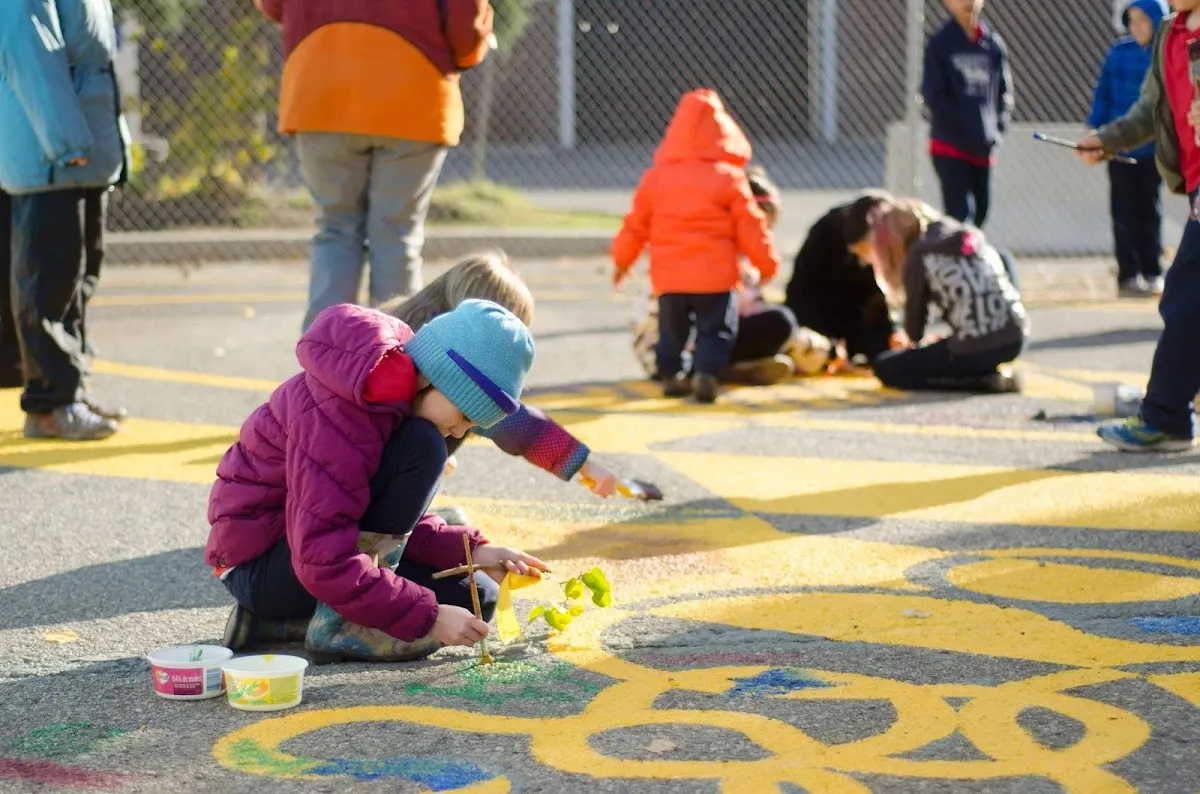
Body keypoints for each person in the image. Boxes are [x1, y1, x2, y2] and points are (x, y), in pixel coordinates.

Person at [208, 299, 547, 663]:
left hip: (308, 554)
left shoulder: (388, 399)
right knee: (425, 447)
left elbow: (368, 513)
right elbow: (322, 557)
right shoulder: (339, 416)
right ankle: (334, 624)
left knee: (474, 595)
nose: (460, 431)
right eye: (465, 414)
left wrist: (473, 552)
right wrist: (430, 617)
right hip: (263, 568)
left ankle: (282, 626)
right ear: (436, 377)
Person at [252, 0, 496, 332]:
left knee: (336, 229)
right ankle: (396, 349)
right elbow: (466, 33)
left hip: (321, 87)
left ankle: (327, 351)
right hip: (414, 90)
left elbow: (273, 6)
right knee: (396, 234)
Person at [0, 0, 129, 439]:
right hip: (52, 155)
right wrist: (65, 140)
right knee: (49, 284)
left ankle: (70, 391)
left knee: (75, 279)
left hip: (81, 152)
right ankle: (50, 405)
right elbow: (30, 54)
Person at [1076, 0, 1200, 452]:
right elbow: (1151, 107)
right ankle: (1169, 415)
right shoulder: (1171, 33)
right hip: (1196, 183)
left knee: (1186, 298)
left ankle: (1167, 417)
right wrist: (1107, 139)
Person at [612, 89, 782, 403]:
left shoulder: (656, 179)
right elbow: (751, 225)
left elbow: (635, 226)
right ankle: (706, 373)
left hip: (670, 278)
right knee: (715, 330)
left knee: (672, 331)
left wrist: (622, 262)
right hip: (715, 278)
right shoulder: (729, 178)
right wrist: (766, 264)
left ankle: (671, 374)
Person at [630, 166, 815, 385]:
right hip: (673, 349)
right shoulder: (721, 256)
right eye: (759, 230)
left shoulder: (706, 242)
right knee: (780, 322)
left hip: (673, 349)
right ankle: (708, 369)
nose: (763, 239)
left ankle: (720, 369)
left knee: (776, 321)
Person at [860, 199, 1027, 393]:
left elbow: (915, 332)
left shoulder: (919, 255)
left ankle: (980, 381)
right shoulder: (968, 235)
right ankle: (979, 372)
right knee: (950, 349)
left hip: (975, 347)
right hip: (1016, 336)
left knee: (885, 366)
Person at [1088, 0, 1169, 298]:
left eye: (1143, 20)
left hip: (1152, 149)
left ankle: (1152, 270)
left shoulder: (1164, 54)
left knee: (1150, 211)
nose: (1136, 27)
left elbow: (1155, 109)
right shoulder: (1118, 53)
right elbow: (1103, 95)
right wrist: (1095, 130)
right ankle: (1127, 275)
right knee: (1123, 213)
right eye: (1132, 20)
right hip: (1119, 149)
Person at [921, 0, 1014, 229]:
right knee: (960, 216)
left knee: (981, 214)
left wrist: (996, 129)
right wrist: (963, 126)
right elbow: (934, 94)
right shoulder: (940, 44)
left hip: (983, 145)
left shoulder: (992, 44)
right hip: (951, 144)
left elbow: (1004, 94)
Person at [784, 191, 899, 366]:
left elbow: (883, 300)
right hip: (822, 309)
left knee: (884, 352)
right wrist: (828, 344)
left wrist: (892, 336)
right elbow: (800, 293)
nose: (864, 261)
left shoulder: (893, 238)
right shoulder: (824, 234)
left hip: (858, 311)